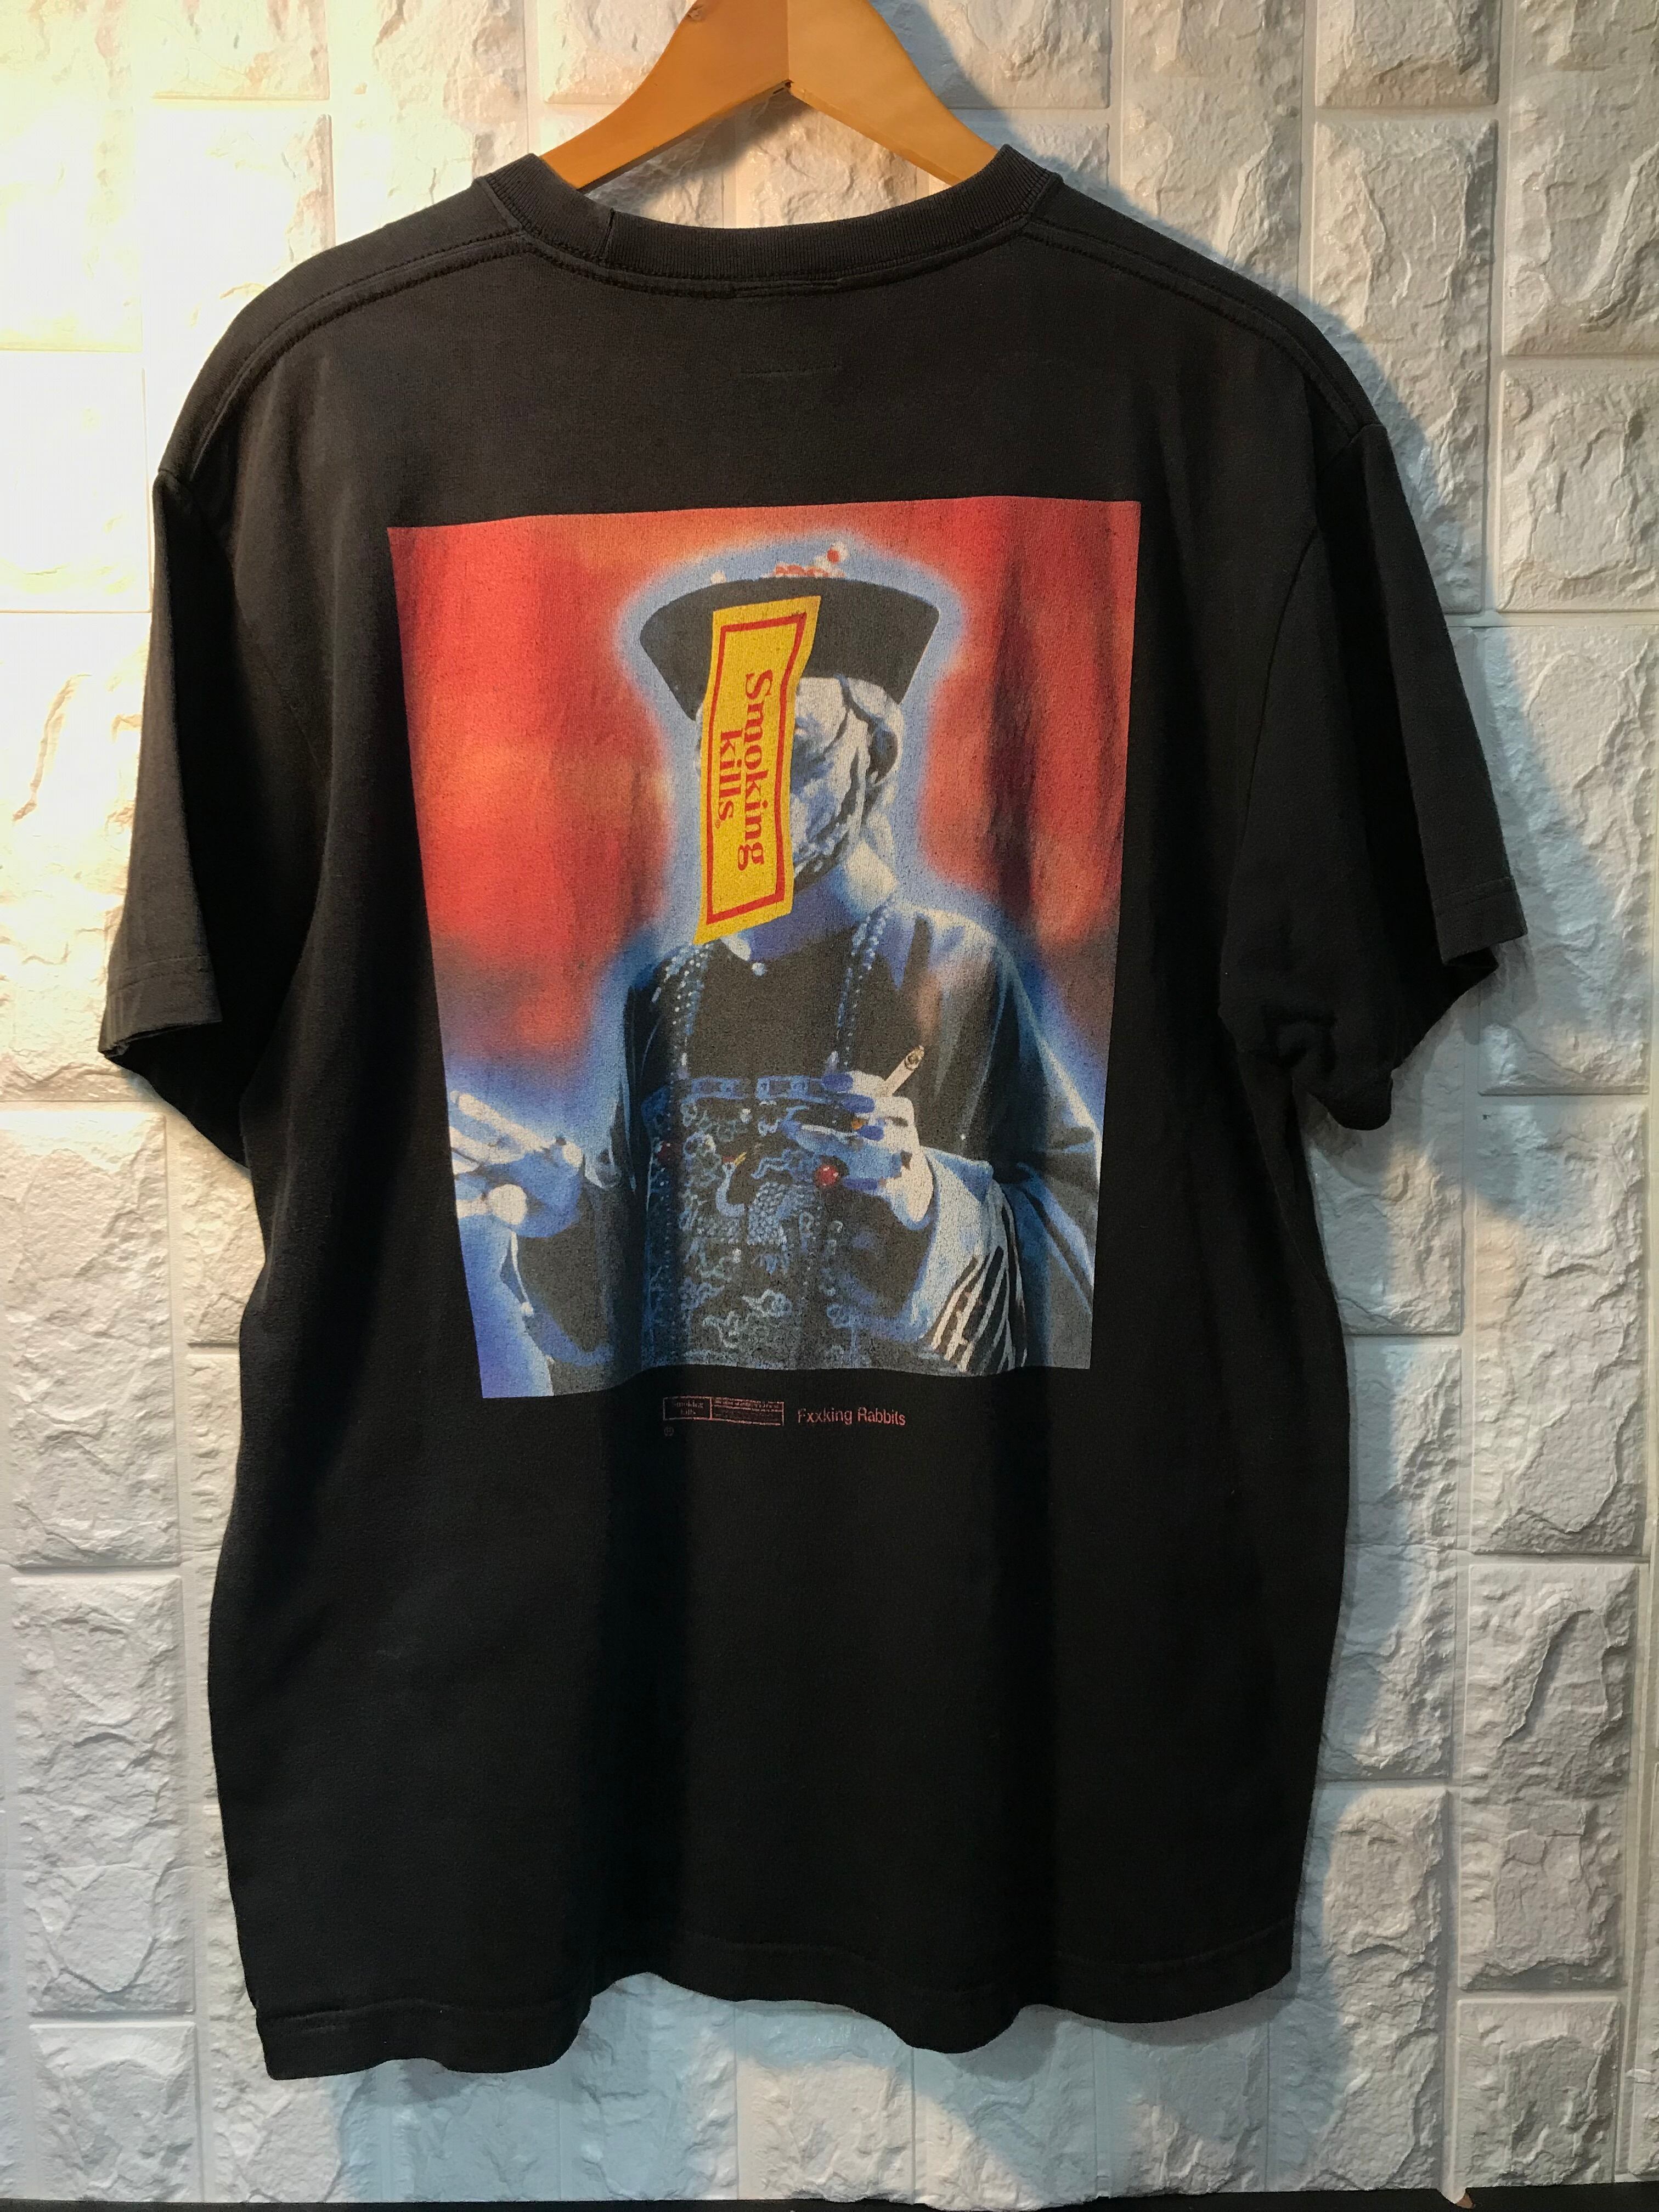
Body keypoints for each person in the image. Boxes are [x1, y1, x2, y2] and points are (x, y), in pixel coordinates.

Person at [450, 555, 1102, 1392]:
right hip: (703, 1459)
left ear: (875, 754)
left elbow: (1078, 1240)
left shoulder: (951, 969)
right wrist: (567, 1219)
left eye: (793, 754)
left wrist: (922, 1199)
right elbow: (640, 1302)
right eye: (730, 761)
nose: (755, 801)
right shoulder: (665, 995)